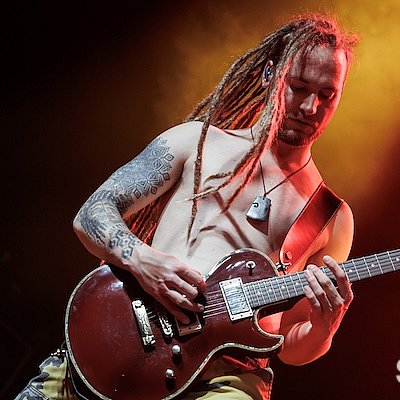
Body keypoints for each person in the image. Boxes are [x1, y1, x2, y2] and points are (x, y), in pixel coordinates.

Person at [17, 13, 358, 400]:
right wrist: (144, 262)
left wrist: (325, 326)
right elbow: (92, 213)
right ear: (269, 75)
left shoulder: (331, 216)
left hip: (225, 378)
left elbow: (291, 346)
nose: (310, 107)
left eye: (327, 95)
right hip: (125, 335)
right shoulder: (196, 141)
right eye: (298, 87)